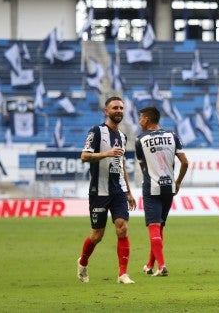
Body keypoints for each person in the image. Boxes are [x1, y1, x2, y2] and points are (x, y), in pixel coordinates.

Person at [77, 96, 137, 285]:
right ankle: (83, 262)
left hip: (118, 190)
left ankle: (122, 274)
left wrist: (128, 191)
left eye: (121, 107)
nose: (119, 110)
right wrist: (107, 154)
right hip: (99, 191)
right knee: (97, 235)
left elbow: (121, 165)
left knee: (122, 228)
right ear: (106, 111)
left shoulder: (123, 136)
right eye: (115, 108)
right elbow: (84, 156)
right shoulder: (96, 131)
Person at [135, 106, 189, 277]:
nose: (139, 121)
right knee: (160, 227)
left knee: (153, 226)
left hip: (152, 187)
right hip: (169, 187)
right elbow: (185, 162)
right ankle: (150, 265)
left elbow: (143, 166)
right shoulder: (172, 136)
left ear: (148, 119)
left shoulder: (140, 140)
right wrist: (178, 182)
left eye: (141, 118)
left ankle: (162, 265)